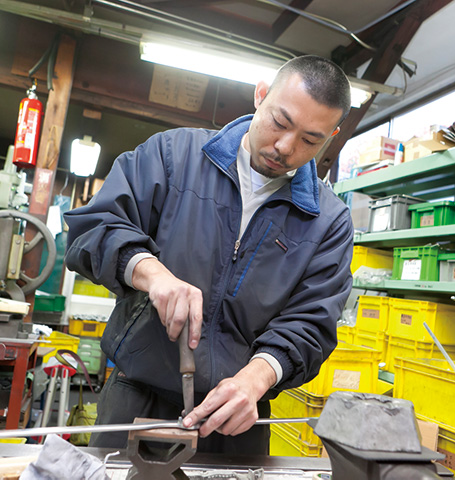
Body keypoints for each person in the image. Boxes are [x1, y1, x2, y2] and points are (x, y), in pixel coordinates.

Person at [64, 55, 354, 455]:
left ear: (332, 136)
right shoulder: (173, 155)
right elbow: (94, 227)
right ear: (261, 95)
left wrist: (254, 380)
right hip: (135, 402)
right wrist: (151, 273)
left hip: (238, 420)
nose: (285, 147)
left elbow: (311, 325)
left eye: (309, 140)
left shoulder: (330, 220)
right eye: (280, 123)